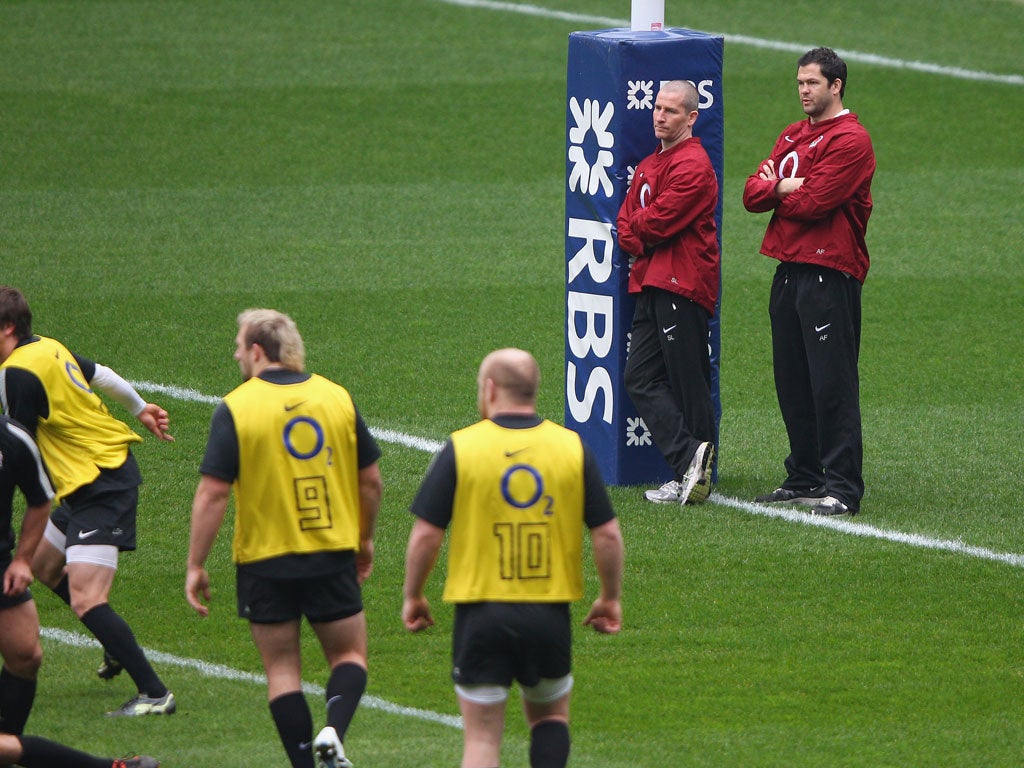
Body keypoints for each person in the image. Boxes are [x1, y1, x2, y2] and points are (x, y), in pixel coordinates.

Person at [403, 348, 624, 768]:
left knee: (483, 739)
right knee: (550, 718)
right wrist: (609, 597)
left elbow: (427, 535)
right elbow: (607, 534)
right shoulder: (570, 447)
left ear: (489, 389)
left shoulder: (463, 447)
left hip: (481, 614)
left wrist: (414, 595)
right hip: (548, 613)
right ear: (532, 391)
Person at [186, 309, 382, 768]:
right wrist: (365, 538)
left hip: (264, 560)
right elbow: (370, 481)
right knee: (349, 654)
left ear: (257, 350)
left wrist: (196, 563)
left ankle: (303, 765)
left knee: (282, 671)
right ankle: (334, 730)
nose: (235, 354)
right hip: (330, 551)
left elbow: (213, 492)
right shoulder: (336, 397)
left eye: (238, 345)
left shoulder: (236, 406)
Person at [0, 286, 176, 717]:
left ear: (6, 328)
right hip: (85, 480)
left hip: (102, 481)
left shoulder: (15, 374)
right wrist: (139, 408)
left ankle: (155, 694)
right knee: (43, 564)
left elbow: (17, 448)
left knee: (86, 597)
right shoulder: (46, 348)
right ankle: (111, 642)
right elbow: (101, 373)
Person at [742, 47, 875, 516]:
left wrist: (781, 191)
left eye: (812, 83)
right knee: (792, 381)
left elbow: (815, 203)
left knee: (831, 382)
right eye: (799, 83)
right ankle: (804, 476)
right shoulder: (792, 135)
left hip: (829, 273)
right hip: (789, 271)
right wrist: (779, 188)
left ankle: (843, 487)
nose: (803, 91)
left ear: (836, 85)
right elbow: (750, 195)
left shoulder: (851, 140)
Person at [0, 415, 159, 768]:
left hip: (2, 562)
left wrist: (23, 560)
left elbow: (41, 500)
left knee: (26, 654)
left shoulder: (11, 438)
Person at [616, 79, 721, 506]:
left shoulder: (693, 165)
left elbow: (654, 223)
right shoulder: (647, 166)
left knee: (688, 384)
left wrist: (639, 228)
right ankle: (689, 462)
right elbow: (627, 228)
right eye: (657, 108)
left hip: (683, 282)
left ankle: (695, 477)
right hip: (651, 281)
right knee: (638, 377)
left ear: (692, 117)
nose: (660, 115)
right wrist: (640, 229)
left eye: (672, 110)